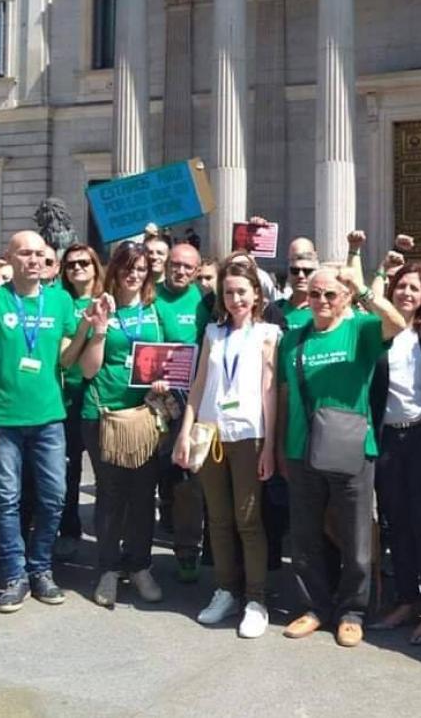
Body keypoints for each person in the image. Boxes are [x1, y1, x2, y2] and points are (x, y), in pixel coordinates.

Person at [277, 263, 405, 648]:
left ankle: (352, 611)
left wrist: (363, 289)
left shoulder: (360, 330)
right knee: (305, 536)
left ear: (345, 297)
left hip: (352, 449)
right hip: (302, 449)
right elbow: (283, 396)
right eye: (315, 294)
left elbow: (397, 323)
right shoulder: (293, 338)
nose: (321, 301)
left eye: (331, 294)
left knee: (355, 537)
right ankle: (313, 607)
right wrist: (281, 446)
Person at [0, 231, 93, 613]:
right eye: (25, 253)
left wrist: (87, 328)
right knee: (5, 499)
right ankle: (14, 574)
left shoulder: (58, 301)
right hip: (3, 419)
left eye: (40, 254)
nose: (34, 260)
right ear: (10, 257)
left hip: (49, 418)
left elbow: (67, 359)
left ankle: (41, 568)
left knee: (54, 497)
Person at [173, 261, 280, 638]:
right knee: (217, 519)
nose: (235, 299)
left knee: (248, 520)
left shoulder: (269, 333)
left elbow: (270, 391)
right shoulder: (213, 334)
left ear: (256, 295)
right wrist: (185, 433)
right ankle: (225, 590)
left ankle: (256, 598)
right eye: (229, 293)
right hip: (211, 433)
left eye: (241, 292)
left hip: (249, 435)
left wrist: (270, 446)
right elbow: (199, 384)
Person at [76, 240, 166, 608]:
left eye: (141, 269)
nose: (134, 275)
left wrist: (162, 379)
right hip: (103, 415)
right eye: (127, 268)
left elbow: (167, 357)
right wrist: (98, 329)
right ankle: (109, 569)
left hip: (143, 415)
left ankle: (140, 565)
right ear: (115, 269)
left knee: (144, 495)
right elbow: (87, 369)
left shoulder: (154, 310)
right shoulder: (97, 307)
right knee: (111, 495)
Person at [366, 259, 421, 646]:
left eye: (415, 288)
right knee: (396, 521)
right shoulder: (377, 332)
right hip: (389, 438)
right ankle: (405, 599)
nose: (407, 293)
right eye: (401, 286)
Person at [153, 242, 210, 581]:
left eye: (189, 267)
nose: (181, 271)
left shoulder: (206, 301)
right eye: (176, 264)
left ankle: (188, 549)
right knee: (158, 470)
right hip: (155, 396)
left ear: (197, 268)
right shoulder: (150, 294)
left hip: (194, 398)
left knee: (190, 475)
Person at [55, 243, 105, 561]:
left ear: (95, 266)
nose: (77, 269)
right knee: (69, 469)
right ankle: (69, 528)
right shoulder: (61, 302)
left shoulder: (107, 298)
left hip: (101, 395)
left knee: (107, 472)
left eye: (84, 263)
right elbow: (64, 359)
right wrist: (85, 327)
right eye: (71, 264)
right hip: (69, 396)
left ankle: (107, 534)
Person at [275, 250, 319, 330]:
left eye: (307, 271)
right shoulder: (275, 309)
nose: (300, 275)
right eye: (295, 271)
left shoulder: (323, 310)